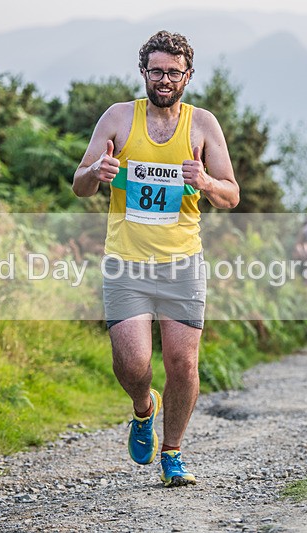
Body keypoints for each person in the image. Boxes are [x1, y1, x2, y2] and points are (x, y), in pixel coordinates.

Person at [72, 30, 239, 487]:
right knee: (132, 366)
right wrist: (96, 172)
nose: (164, 79)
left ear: (187, 76)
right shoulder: (119, 118)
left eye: (173, 72)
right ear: (143, 71)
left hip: (182, 263)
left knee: (183, 364)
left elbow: (231, 194)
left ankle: (173, 452)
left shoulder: (202, 125)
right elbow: (78, 183)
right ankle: (144, 409)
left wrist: (205, 182)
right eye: (157, 70)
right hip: (125, 263)